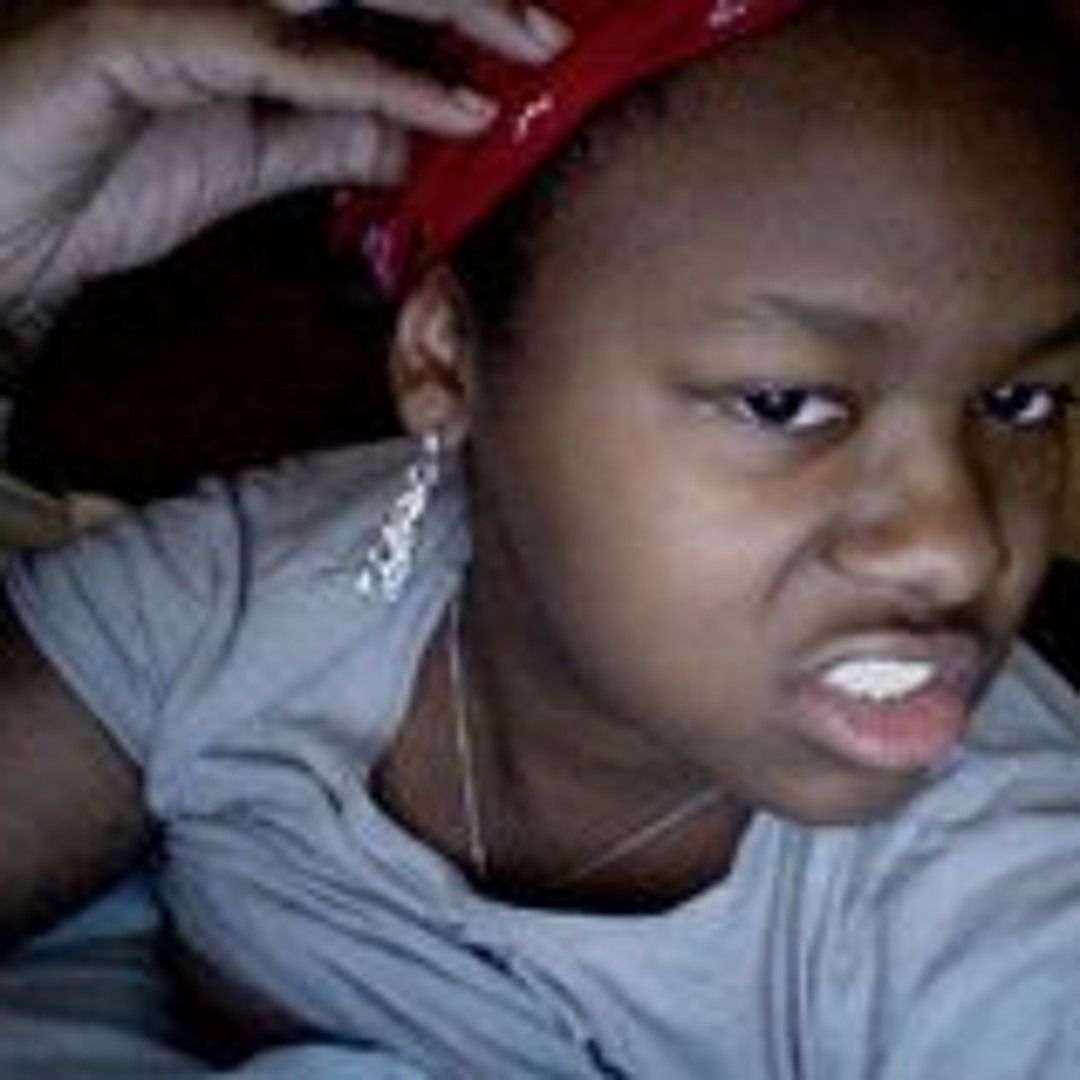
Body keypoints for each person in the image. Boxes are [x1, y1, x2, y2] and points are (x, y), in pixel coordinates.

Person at [2, 0, 1080, 1076]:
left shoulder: (1006, 890)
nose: (960, 550)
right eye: (781, 402)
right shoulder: (239, 605)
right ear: (444, 359)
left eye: (1023, 402)